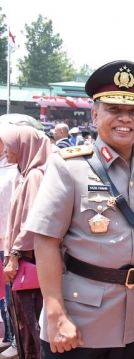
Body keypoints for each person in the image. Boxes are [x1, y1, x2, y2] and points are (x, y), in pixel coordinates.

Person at [27, 60, 134, 359]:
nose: (125, 118)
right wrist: (55, 314)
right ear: (95, 115)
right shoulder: (68, 166)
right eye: (114, 109)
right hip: (79, 320)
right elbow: (45, 240)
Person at [1, 124, 52, 359]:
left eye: (9, 145)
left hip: (27, 260)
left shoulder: (34, 176)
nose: (5, 151)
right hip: (25, 258)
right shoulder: (26, 172)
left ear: (23, 145)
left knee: (32, 325)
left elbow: (32, 222)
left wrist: (14, 256)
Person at [0, 125, 18, 358]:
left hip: (7, 241)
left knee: (9, 291)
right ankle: (8, 337)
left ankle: (14, 337)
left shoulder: (15, 171)